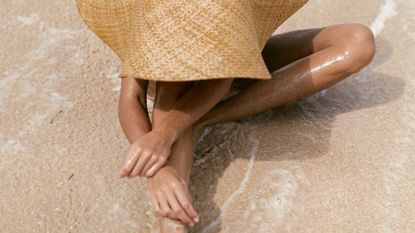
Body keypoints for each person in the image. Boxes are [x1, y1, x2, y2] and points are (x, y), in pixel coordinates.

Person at [76, 1, 376, 232]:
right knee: (172, 85)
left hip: (237, 60)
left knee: (358, 41)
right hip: (176, 80)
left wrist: (163, 135)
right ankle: (171, 220)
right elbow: (131, 96)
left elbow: (221, 80)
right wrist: (158, 170)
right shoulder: (152, 16)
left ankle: (204, 120)